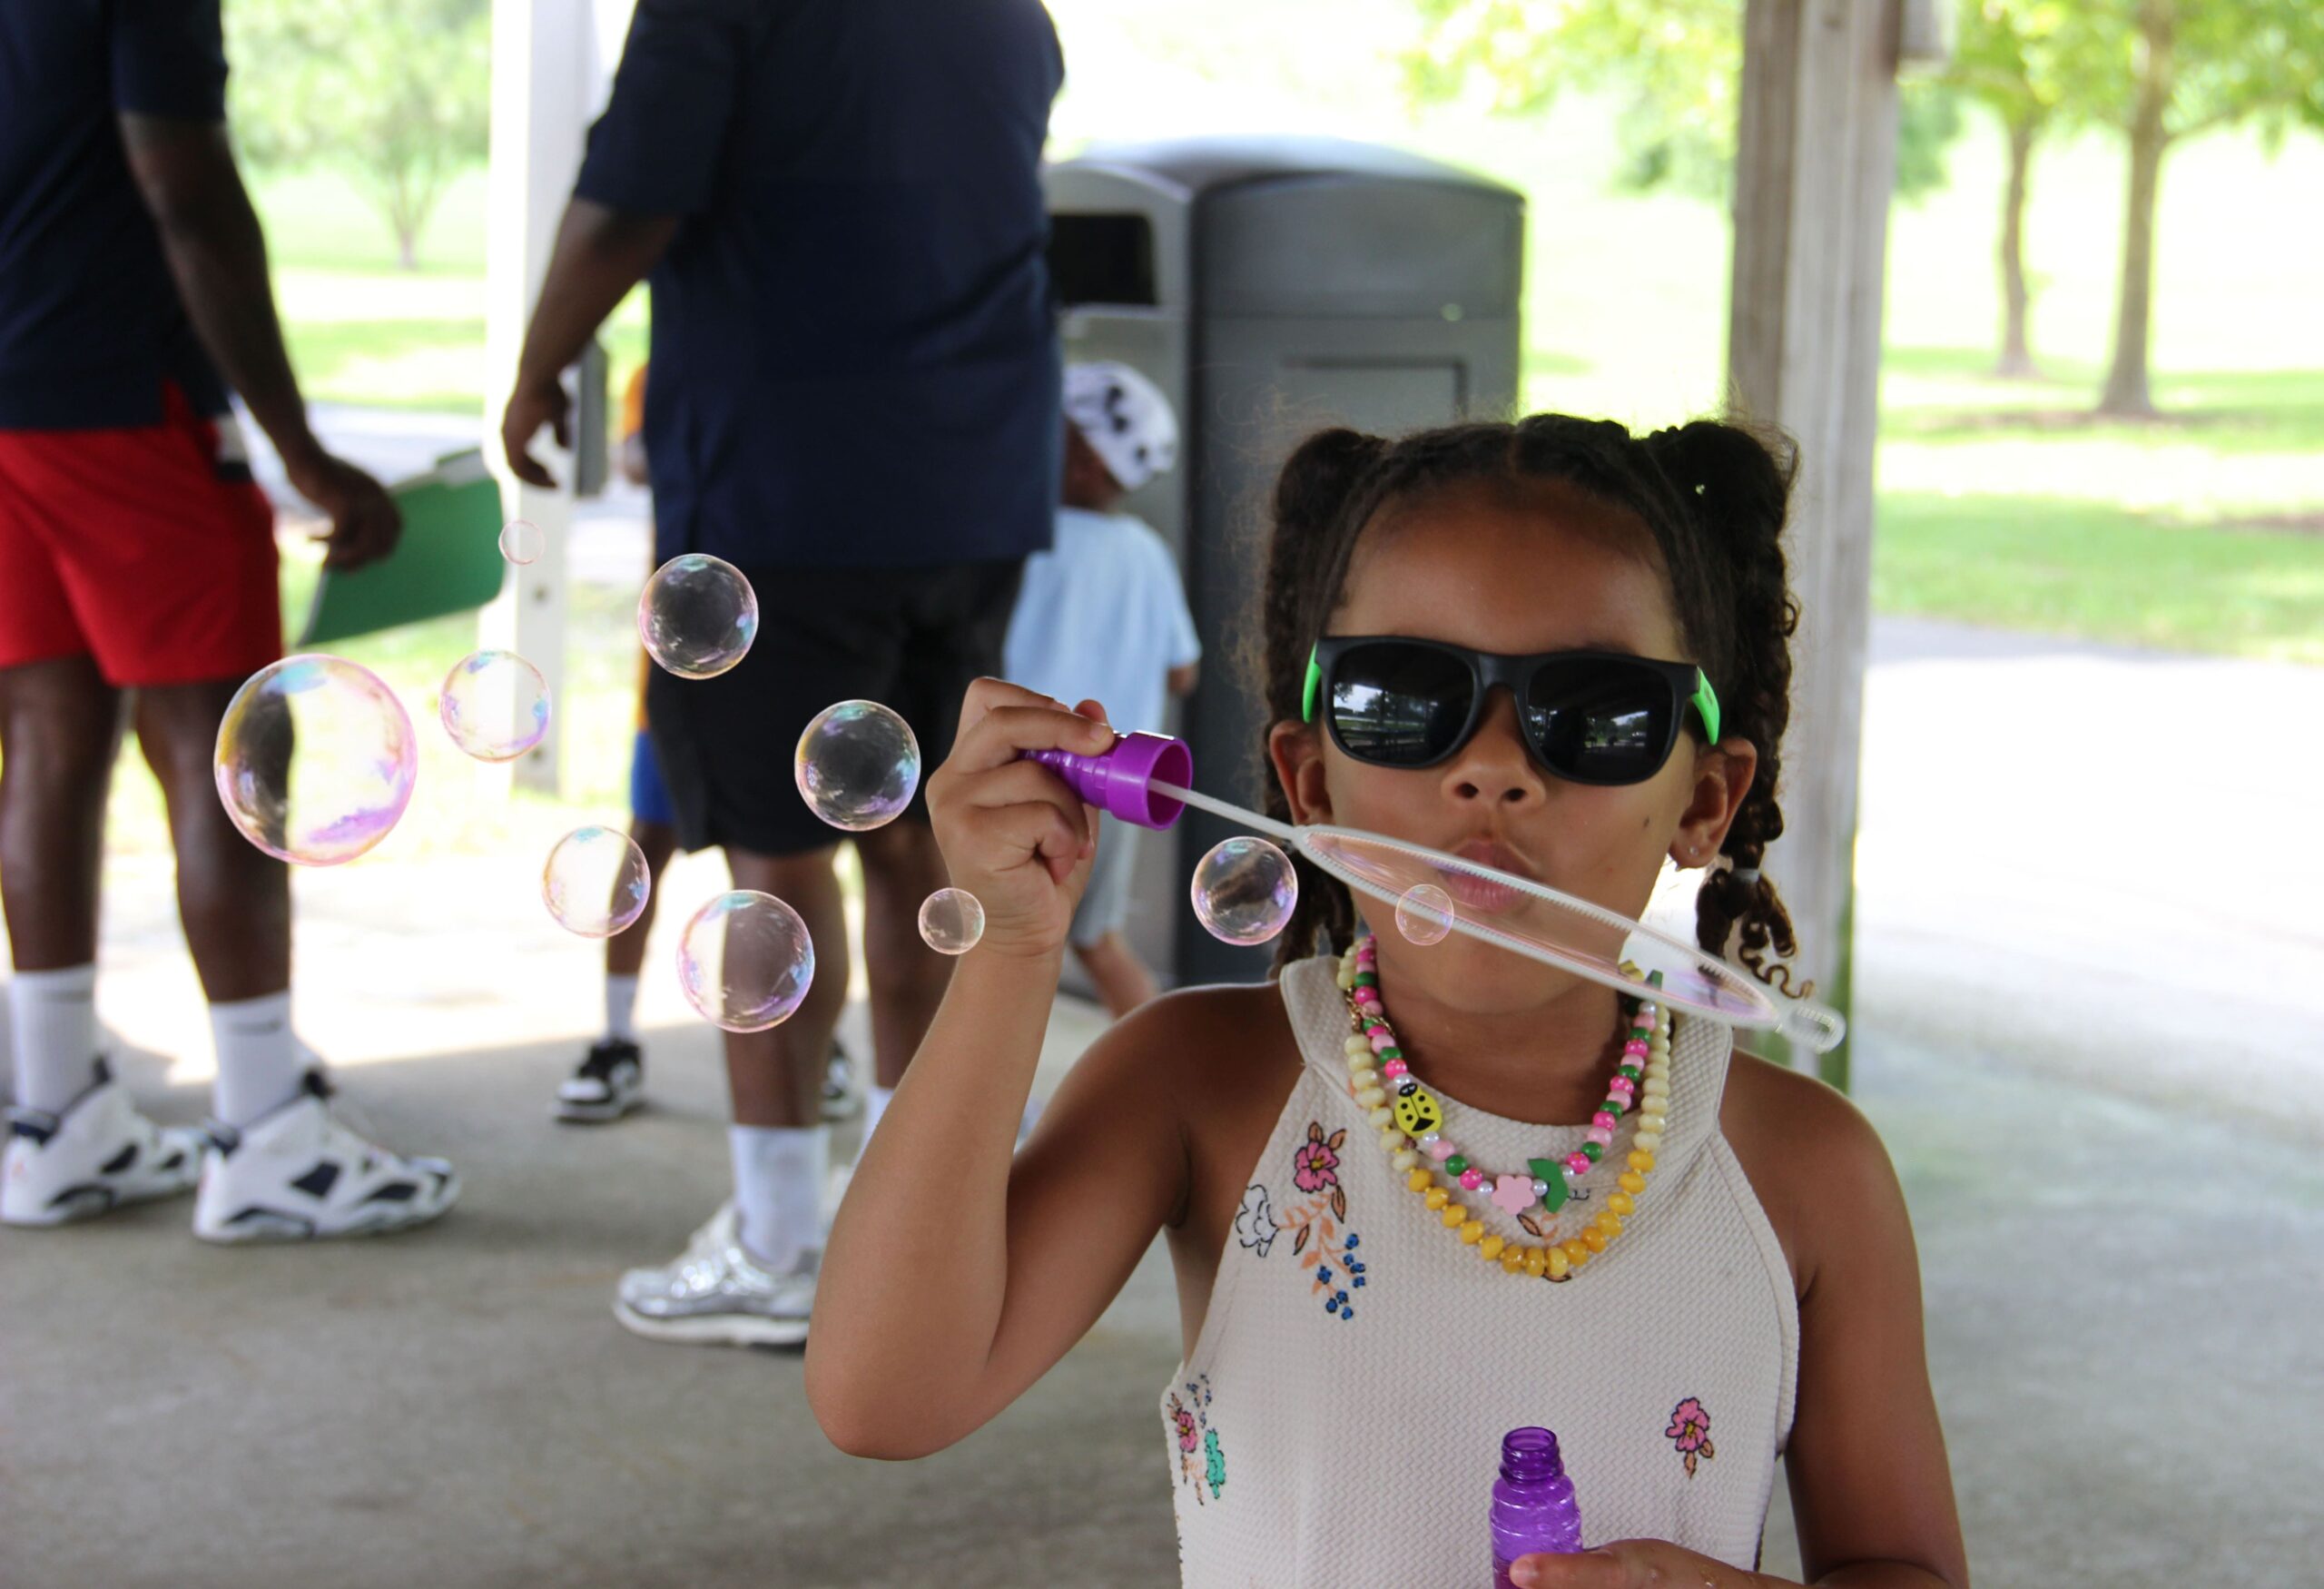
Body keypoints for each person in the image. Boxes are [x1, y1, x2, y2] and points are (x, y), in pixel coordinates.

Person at [807, 415, 1971, 1589]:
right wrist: (1012, 946)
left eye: (1597, 711)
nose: (1493, 766)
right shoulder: (1199, 1085)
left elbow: (1906, 1566)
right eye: (1404, 698)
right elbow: (886, 1396)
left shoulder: (1806, 1170)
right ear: (1310, 781)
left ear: (1704, 801)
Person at [501, 0, 1063, 1347]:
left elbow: (627, 202)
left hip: (783, 484)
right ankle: (917, 1218)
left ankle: (779, 1243)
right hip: (977, 479)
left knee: (779, 850)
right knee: (923, 839)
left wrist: (536, 366)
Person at [0, 1, 457, 1238]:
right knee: (229, 745)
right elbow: (183, 185)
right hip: (122, 397)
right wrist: (301, 448)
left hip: (14, 403)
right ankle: (265, 1132)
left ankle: (56, 1119)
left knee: (45, 737)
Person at [556, 366, 862, 1126]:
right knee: (646, 847)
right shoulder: (670, 373)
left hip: (786, 669)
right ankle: (616, 1037)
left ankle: (817, 1045)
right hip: (683, 676)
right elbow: (636, 459)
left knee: (782, 867)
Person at [1003, 362, 1199, 1018]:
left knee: (998, 938)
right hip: (1113, 778)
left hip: (1022, 770)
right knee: (1095, 938)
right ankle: (1167, 1063)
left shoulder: (1023, 542)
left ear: (1085, 460)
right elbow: (1183, 671)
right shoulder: (1145, 551)